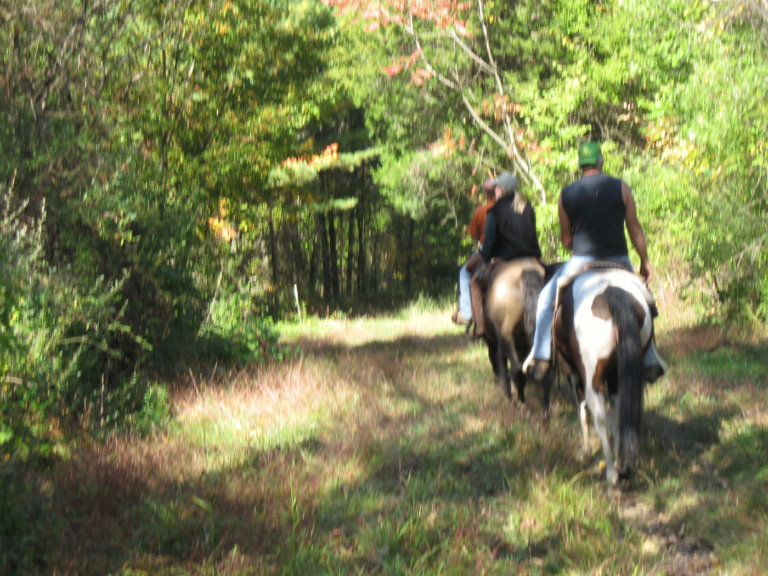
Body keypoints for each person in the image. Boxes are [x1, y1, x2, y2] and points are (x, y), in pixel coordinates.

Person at [524, 141, 666, 382]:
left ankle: (541, 357)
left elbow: (566, 240)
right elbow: (634, 229)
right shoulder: (622, 188)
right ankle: (649, 359)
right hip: (619, 259)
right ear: (601, 160)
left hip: (582, 260)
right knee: (646, 302)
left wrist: (579, 246)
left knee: (546, 300)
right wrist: (645, 261)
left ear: (580, 165)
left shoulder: (566, 194)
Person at [468, 172, 542, 338]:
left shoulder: (495, 210)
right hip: (533, 259)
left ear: (501, 190)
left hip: (507, 259)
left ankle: (480, 328)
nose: (495, 190)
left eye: (496, 187)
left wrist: (486, 258)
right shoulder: (527, 206)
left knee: (474, 283)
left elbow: (488, 244)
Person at [452, 179, 496, 326]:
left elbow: (474, 236)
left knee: (464, 273)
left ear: (486, 195)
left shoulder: (481, 211)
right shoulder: (510, 208)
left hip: (488, 250)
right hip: (510, 249)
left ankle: (467, 314)